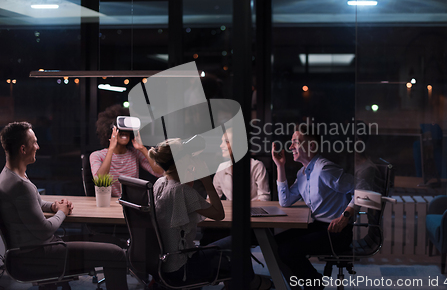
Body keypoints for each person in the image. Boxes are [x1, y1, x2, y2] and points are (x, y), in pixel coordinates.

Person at [0, 122, 128, 290]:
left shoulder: (8, 176)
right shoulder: (20, 185)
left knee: (102, 246)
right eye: (35, 143)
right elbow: (46, 229)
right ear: (23, 149)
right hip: (40, 256)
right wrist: (61, 212)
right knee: (116, 253)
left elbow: (33, 203)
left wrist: (52, 206)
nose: (38, 147)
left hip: (30, 253)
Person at [148, 139, 271, 289]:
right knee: (241, 240)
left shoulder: (159, 184)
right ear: (182, 161)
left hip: (165, 262)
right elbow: (219, 214)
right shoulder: (181, 191)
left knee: (226, 246)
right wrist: (207, 180)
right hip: (184, 265)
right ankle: (254, 284)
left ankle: (247, 283)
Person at [272, 126, 355, 290]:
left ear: (311, 146)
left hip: (337, 232)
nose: (290, 147)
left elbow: (362, 189)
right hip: (319, 226)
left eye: (295, 142)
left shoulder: (324, 169)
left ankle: (314, 284)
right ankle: (308, 282)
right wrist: (280, 166)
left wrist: (345, 216)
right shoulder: (303, 173)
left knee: (287, 250)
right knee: (275, 243)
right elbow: (285, 201)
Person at [90, 104, 163, 197]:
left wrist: (142, 148)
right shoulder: (97, 155)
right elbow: (99, 180)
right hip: (109, 203)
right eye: (120, 129)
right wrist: (111, 148)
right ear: (110, 131)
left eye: (127, 130)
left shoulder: (135, 153)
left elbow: (159, 172)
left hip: (131, 203)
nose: (124, 132)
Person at [213, 127, 271, 201]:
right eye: (222, 142)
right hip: (230, 211)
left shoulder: (256, 166)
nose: (221, 145)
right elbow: (213, 197)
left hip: (253, 211)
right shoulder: (222, 168)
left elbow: (264, 198)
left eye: (226, 141)